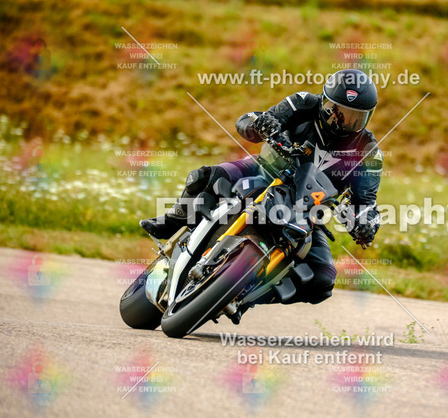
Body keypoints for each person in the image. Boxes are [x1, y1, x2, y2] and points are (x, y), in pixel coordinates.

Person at [141, 69, 383, 304]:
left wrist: (365, 224)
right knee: (204, 177)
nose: (342, 122)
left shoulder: (369, 152)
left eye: (355, 117)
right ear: (323, 101)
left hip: (306, 211)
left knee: (322, 280)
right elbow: (251, 121)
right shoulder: (303, 102)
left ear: (367, 117)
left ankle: (244, 296)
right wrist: (262, 125)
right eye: (336, 111)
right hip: (265, 171)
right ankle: (174, 220)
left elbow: (367, 202)